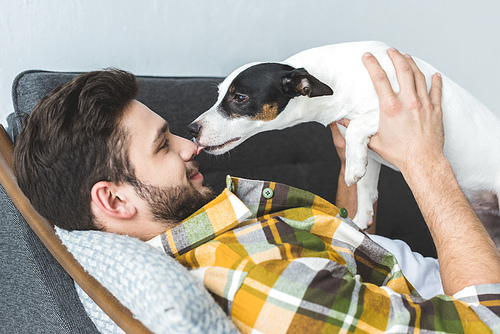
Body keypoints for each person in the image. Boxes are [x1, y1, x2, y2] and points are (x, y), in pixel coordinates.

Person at [14, 49, 500, 333]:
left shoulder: (218, 220)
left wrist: (352, 169)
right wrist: (425, 162)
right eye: (164, 146)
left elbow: (352, 250)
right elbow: (486, 320)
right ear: (115, 201)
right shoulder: (255, 281)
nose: (190, 146)